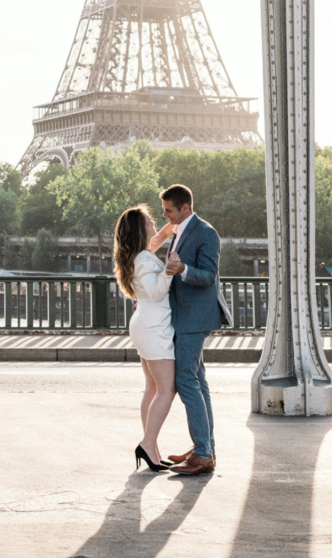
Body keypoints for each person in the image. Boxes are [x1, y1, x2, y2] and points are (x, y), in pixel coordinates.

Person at [160, 184, 232, 475]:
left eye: (168, 210)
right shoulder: (179, 230)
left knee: (186, 380)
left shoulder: (206, 232)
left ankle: (203, 453)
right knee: (198, 383)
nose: (165, 215)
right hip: (184, 315)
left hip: (194, 317)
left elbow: (209, 277)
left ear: (185, 208)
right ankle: (205, 448)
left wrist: (182, 270)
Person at [112, 203, 178, 472]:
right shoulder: (145, 259)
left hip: (145, 325)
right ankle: (148, 444)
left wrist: (170, 229)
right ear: (141, 228)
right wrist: (170, 270)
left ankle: (152, 448)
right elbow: (156, 293)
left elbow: (156, 240)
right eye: (150, 220)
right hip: (154, 327)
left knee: (151, 388)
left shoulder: (139, 256)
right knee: (166, 388)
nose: (153, 222)